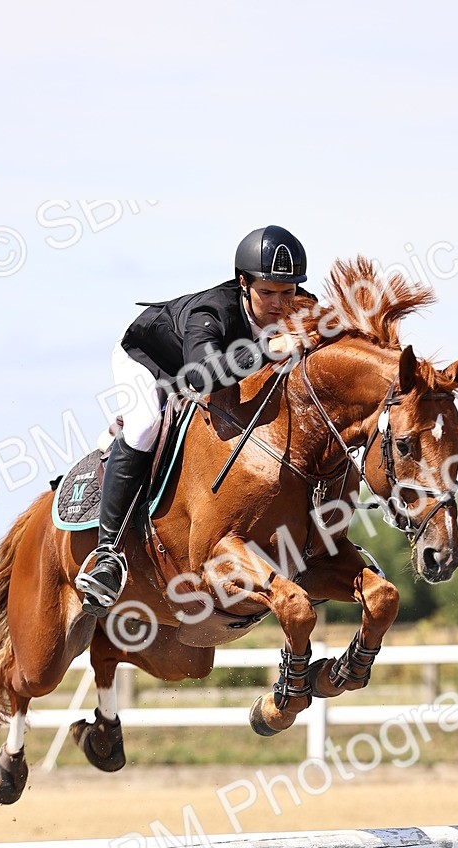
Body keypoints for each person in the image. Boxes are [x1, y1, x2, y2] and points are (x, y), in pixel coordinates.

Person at [78, 225, 311, 614]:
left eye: (287, 292)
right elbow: (200, 376)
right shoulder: (212, 312)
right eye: (267, 292)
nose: (279, 304)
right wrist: (270, 348)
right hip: (152, 360)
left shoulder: (302, 306)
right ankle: (107, 557)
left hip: (211, 366)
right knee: (144, 426)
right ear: (243, 282)